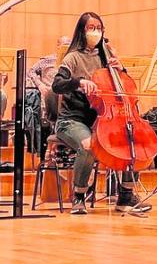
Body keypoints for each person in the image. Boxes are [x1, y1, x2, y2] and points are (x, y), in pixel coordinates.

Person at [51, 12, 151, 215]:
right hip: (73, 121)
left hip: (106, 120)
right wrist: (79, 82)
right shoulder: (73, 58)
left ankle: (125, 197)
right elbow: (57, 85)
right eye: (91, 28)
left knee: (135, 142)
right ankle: (79, 196)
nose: (95, 32)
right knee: (89, 146)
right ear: (82, 30)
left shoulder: (107, 58)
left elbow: (124, 89)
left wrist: (121, 69)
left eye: (99, 28)